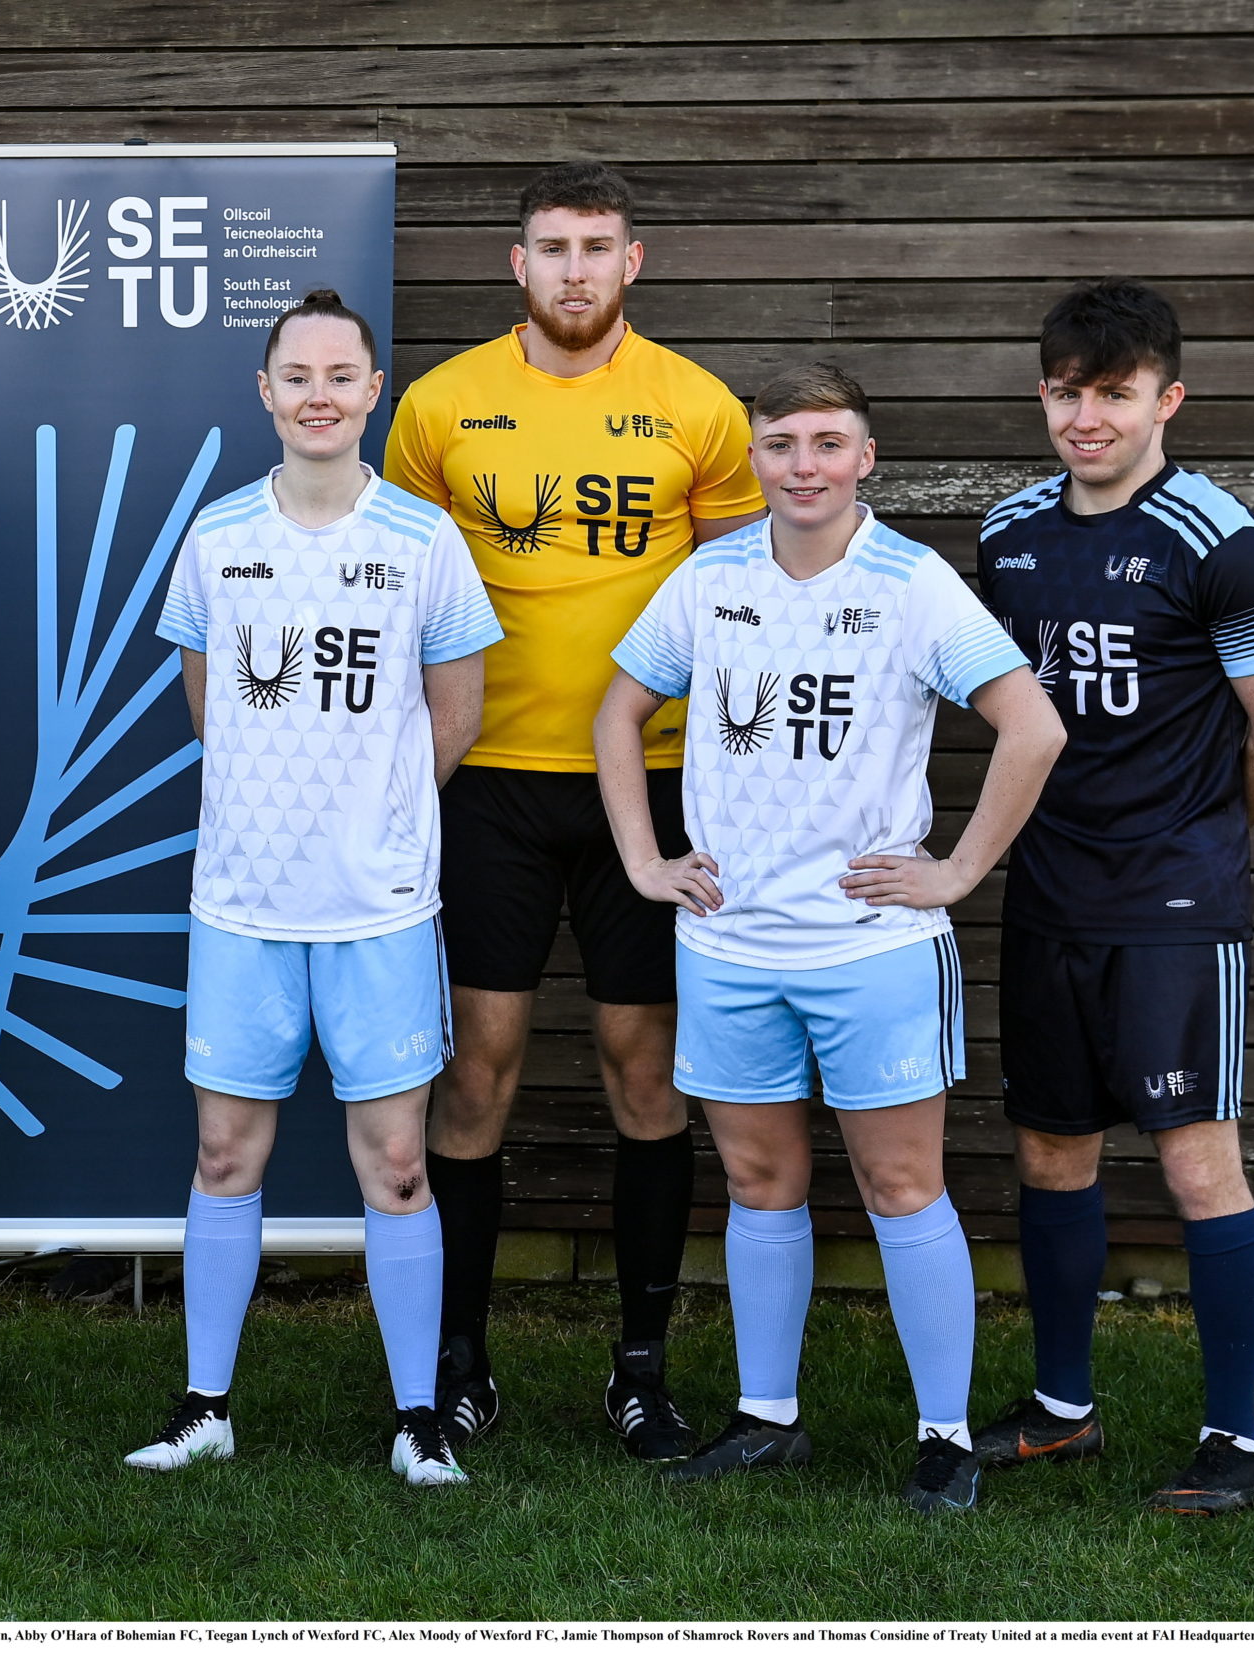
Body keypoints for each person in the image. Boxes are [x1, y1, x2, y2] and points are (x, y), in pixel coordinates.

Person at [596, 362, 1061, 1512]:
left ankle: (944, 1438)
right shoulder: (710, 577)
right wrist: (644, 864)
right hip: (730, 945)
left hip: (868, 948)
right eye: (780, 444)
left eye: (826, 443)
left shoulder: (910, 582)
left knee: (900, 1183)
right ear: (752, 457)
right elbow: (618, 712)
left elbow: (1032, 728)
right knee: (758, 1180)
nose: (802, 466)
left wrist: (955, 870)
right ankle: (768, 1419)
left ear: (865, 457)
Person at [383, 161, 766, 1456]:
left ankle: (640, 1370)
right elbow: (396, 590)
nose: (575, 269)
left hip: (648, 786)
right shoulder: (440, 405)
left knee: (642, 1070)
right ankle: (459, 1362)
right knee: (475, 1068)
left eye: (597, 246)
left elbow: (741, 604)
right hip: (485, 783)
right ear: (519, 263)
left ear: (632, 261)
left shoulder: (697, 407)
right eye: (553, 246)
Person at [125, 291, 500, 1487]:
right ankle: (205, 1408)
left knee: (396, 1164)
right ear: (266, 392)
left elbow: (455, 714)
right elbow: (206, 709)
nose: (319, 395)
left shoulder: (424, 540)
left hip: (377, 909)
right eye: (298, 376)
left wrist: (374, 815)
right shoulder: (217, 534)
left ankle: (418, 1419)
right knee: (223, 1155)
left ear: (373, 390)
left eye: (341, 375)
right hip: (243, 904)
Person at [971, 280, 1254, 1515]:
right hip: (1047, 897)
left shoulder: (1224, 543)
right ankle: (1063, 1408)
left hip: (1171, 907)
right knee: (1050, 1150)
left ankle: (1236, 1440)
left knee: (1197, 1165)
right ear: (1042, 395)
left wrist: (1191, 840)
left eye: (1113, 394)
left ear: (1167, 399)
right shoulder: (1007, 534)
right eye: (1067, 393)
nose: (1087, 418)